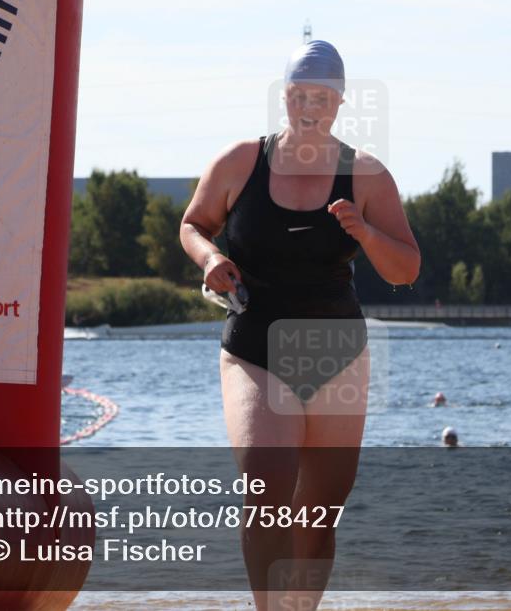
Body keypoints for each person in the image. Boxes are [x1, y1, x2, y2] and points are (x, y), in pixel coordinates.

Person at [179, 40, 421, 611]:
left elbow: (406, 269)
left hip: (334, 348)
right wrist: (211, 260)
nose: (310, 106)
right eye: (299, 95)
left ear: (339, 102)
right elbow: (193, 225)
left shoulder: (365, 173)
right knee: (266, 482)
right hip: (254, 344)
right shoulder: (242, 161)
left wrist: (363, 231)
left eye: (323, 96)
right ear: (283, 96)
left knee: (321, 506)